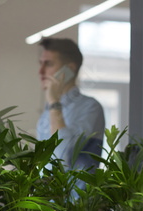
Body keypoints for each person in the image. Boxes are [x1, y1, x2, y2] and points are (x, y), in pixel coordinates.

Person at [36, 37, 105, 172]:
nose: (41, 71)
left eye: (48, 64)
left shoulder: (90, 107)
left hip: (76, 193)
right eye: (41, 63)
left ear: (69, 69)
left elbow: (61, 157)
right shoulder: (48, 110)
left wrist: (54, 103)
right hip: (46, 192)